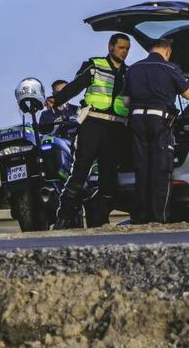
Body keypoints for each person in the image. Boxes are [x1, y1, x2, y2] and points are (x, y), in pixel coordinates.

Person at [49, 33, 131, 228]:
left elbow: (129, 100)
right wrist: (57, 100)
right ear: (110, 47)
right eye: (121, 48)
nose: (125, 52)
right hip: (93, 124)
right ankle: (65, 216)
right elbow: (75, 86)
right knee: (80, 172)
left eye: (127, 49)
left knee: (109, 178)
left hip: (115, 128)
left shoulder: (129, 72)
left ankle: (99, 216)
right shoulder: (95, 65)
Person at [123, 37, 189, 224]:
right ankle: (158, 217)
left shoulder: (134, 68)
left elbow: (126, 101)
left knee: (141, 167)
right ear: (167, 52)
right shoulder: (170, 68)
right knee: (160, 169)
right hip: (159, 121)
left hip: (137, 120)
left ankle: (139, 217)